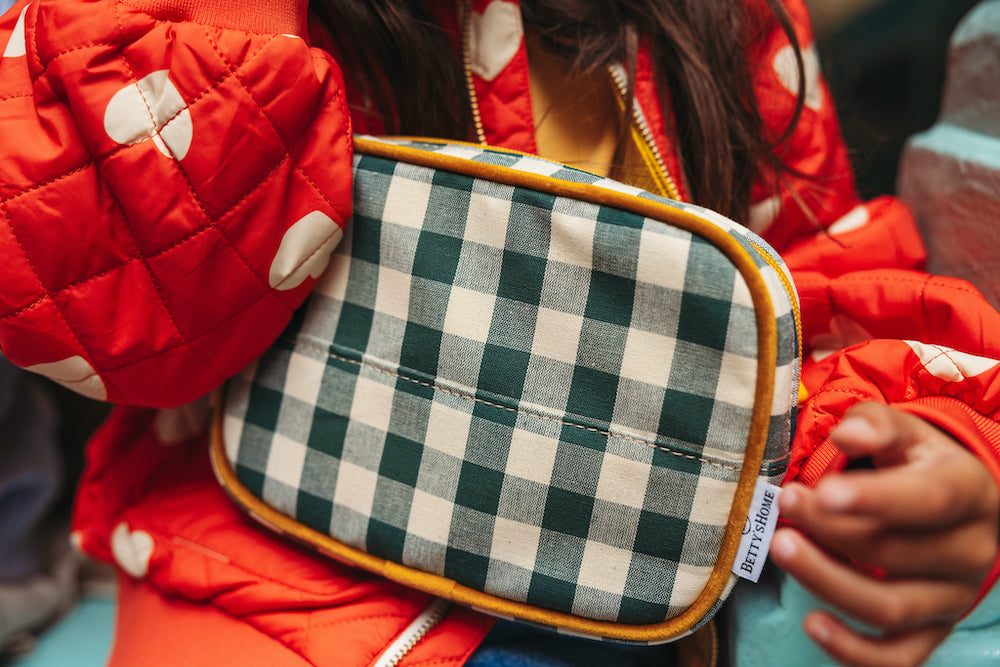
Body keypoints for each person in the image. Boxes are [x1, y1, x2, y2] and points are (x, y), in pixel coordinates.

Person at [0, 0, 998, 665]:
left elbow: (807, 287)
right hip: (280, 597)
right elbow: (109, 306)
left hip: (655, 593)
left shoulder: (725, 22)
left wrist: (914, 446)